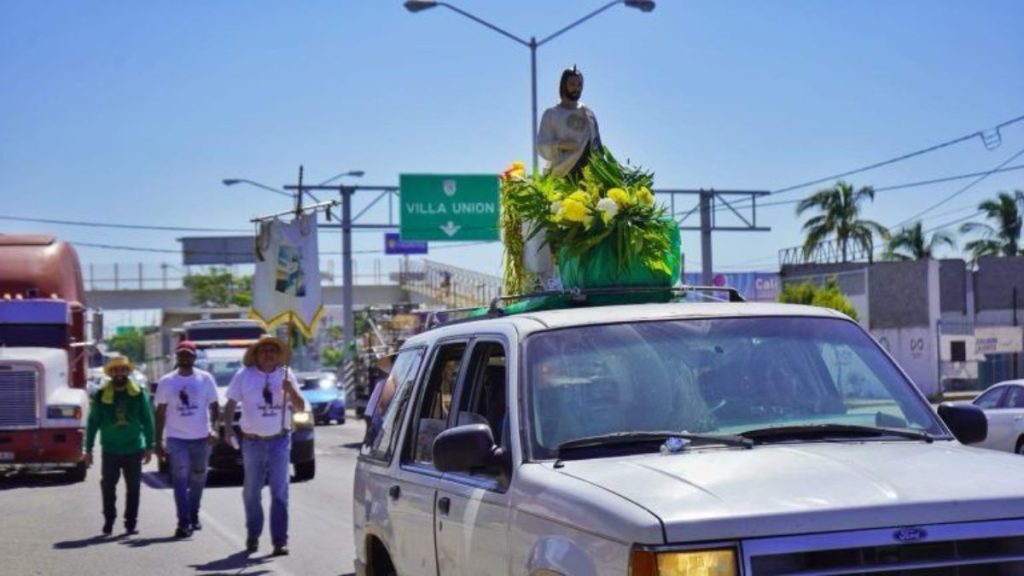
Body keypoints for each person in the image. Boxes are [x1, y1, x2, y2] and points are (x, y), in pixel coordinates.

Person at [222, 335, 307, 557]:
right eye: (264, 350)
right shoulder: (244, 376)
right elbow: (230, 404)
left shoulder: (287, 375)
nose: (268, 353)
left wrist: (291, 391)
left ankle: (280, 541)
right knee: (252, 491)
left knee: (280, 492)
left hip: (280, 439)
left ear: (278, 355)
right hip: (252, 441)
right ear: (256, 355)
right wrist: (228, 428)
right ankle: (253, 534)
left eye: (273, 350)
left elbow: (300, 408)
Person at [154, 341, 220, 538]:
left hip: (201, 437)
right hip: (177, 438)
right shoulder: (167, 381)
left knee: (199, 476)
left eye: (188, 355)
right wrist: (158, 441)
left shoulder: (205, 379)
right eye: (181, 355)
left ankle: (193, 514)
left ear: (194, 357)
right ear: (177, 357)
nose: (184, 358)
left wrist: (214, 429)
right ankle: (183, 522)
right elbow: (160, 412)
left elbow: (215, 406)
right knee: (180, 479)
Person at [84, 356, 155, 536]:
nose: (119, 373)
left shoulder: (139, 393)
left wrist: (149, 446)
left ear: (128, 372)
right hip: (110, 449)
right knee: (108, 486)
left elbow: (147, 420)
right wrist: (89, 449)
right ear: (111, 374)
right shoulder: (101, 395)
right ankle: (109, 519)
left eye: (123, 370)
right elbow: (93, 423)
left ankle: (131, 523)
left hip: (133, 448)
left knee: (134, 488)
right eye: (115, 370)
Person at [537, 65, 603, 179]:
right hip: (561, 174)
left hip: (587, 177)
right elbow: (541, 145)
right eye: (572, 84)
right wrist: (561, 144)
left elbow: (597, 147)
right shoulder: (552, 114)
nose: (576, 88)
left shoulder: (588, 114)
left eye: (579, 85)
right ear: (563, 85)